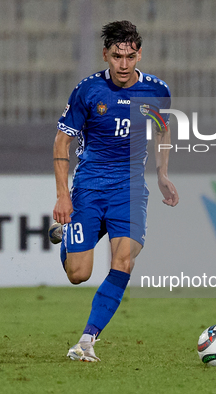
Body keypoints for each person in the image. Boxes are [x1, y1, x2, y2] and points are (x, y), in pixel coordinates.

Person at [50, 20, 179, 362]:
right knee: (78, 274)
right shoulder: (88, 91)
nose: (124, 64)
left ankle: (87, 341)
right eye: (117, 56)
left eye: (131, 56)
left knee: (124, 260)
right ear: (105, 54)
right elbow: (62, 141)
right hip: (90, 186)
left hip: (131, 189)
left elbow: (162, 131)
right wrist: (63, 195)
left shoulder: (156, 90)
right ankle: (74, 235)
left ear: (139, 54)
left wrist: (162, 174)